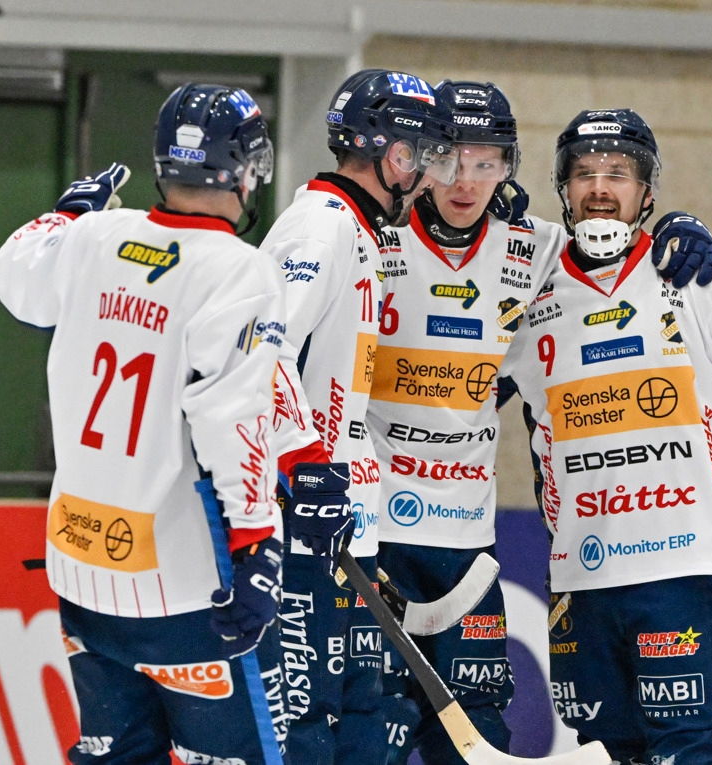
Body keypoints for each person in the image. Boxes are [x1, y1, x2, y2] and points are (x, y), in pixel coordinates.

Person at [366, 81, 712, 764]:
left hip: (466, 542)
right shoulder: (369, 240)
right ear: (417, 159)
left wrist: (683, 230)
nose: (465, 181)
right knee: (362, 733)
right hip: (369, 531)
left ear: (509, 168)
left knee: (474, 743)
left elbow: (612, 250)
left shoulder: (535, 250)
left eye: (485, 162)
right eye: (447, 159)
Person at [497, 107, 712, 763]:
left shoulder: (695, 284)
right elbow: (448, 395)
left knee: (693, 751)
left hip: (684, 571)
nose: (601, 186)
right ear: (562, 189)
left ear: (648, 192)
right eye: (584, 172)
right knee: (609, 753)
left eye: (619, 173)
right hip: (581, 580)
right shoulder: (526, 300)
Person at [0, 84, 285, 762]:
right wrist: (256, 540)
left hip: (82, 568)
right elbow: (231, 416)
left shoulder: (93, 235)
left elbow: (16, 276)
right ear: (243, 168)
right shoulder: (239, 270)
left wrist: (65, 215)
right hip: (185, 582)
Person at [259, 68, 458, 765]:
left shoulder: (360, 231)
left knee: (362, 714)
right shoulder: (320, 227)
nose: (429, 175)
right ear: (389, 153)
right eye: (422, 155)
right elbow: (260, 352)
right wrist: (303, 467)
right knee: (309, 720)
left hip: (346, 517)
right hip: (300, 513)